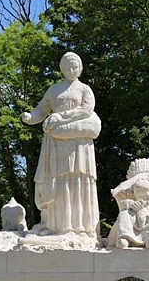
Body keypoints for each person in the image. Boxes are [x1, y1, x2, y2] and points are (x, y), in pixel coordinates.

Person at [21, 52, 100, 239]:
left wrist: (60, 117)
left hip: (78, 143)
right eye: (67, 67)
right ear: (62, 69)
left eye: (75, 67)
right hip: (55, 144)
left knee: (77, 181)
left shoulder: (84, 89)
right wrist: (31, 118)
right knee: (57, 182)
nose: (71, 70)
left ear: (80, 68)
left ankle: (81, 227)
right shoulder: (54, 90)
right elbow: (42, 109)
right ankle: (56, 225)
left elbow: (86, 110)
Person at [114, 179, 149, 249]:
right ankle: (125, 237)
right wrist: (131, 204)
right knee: (124, 214)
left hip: (147, 219)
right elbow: (122, 204)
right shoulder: (131, 201)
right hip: (134, 219)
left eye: (143, 192)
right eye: (138, 192)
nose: (140, 195)